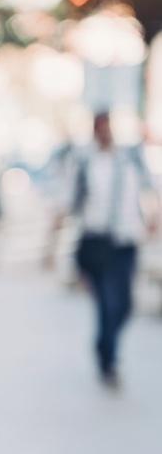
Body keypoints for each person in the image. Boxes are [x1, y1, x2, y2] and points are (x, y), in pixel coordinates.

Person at [52, 111, 159, 389]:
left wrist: (153, 219)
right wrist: (53, 237)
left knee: (123, 306)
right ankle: (108, 359)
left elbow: (150, 191)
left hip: (125, 242)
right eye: (99, 127)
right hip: (96, 242)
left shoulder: (130, 159)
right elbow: (67, 199)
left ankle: (104, 345)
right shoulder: (84, 162)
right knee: (106, 303)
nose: (104, 132)